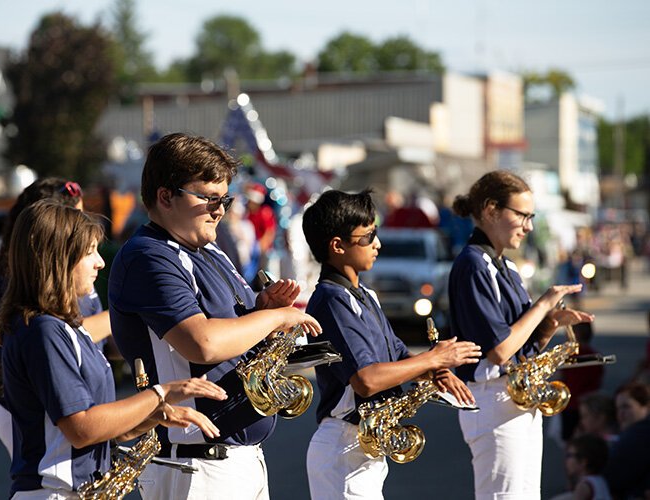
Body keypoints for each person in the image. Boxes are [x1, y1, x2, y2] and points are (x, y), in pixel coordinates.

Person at [108, 132, 321, 500]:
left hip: (235, 461)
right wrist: (274, 319)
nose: (219, 209)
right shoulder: (149, 256)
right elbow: (202, 343)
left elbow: (232, 332)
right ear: (165, 196)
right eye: (207, 198)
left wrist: (261, 311)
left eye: (224, 198)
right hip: (197, 465)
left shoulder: (211, 253)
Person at [0, 200, 226, 498]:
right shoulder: (44, 331)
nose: (100, 262)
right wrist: (160, 393)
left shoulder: (65, 328)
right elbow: (81, 429)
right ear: (58, 259)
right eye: (89, 252)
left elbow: (97, 429)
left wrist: (151, 417)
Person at [301, 189, 481, 500]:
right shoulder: (331, 300)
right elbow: (366, 380)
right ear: (338, 246)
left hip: (362, 445)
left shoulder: (364, 295)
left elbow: (398, 356)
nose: (378, 244)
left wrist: (434, 371)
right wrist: (431, 359)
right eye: (368, 236)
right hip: (343, 447)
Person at [448, 170, 594, 500]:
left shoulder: (507, 267)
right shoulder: (472, 264)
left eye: (531, 217)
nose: (528, 226)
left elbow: (523, 344)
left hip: (514, 399)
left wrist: (550, 324)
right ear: (490, 210)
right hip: (492, 400)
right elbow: (500, 350)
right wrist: (543, 304)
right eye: (522, 215)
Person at [0, 177, 113, 458]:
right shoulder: (42, 321)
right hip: (49, 408)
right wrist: (127, 316)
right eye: (73, 219)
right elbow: (67, 336)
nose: (82, 226)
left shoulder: (77, 280)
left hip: (77, 390)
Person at [560, 322, 605, 442]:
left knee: (571, 440)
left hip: (571, 405)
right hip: (589, 405)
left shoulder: (571, 357)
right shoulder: (595, 355)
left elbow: (562, 378)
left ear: (576, 334)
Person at [556, 434, 611, 500]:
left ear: (583, 462)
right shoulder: (600, 480)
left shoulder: (583, 486)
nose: (566, 460)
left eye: (569, 455)